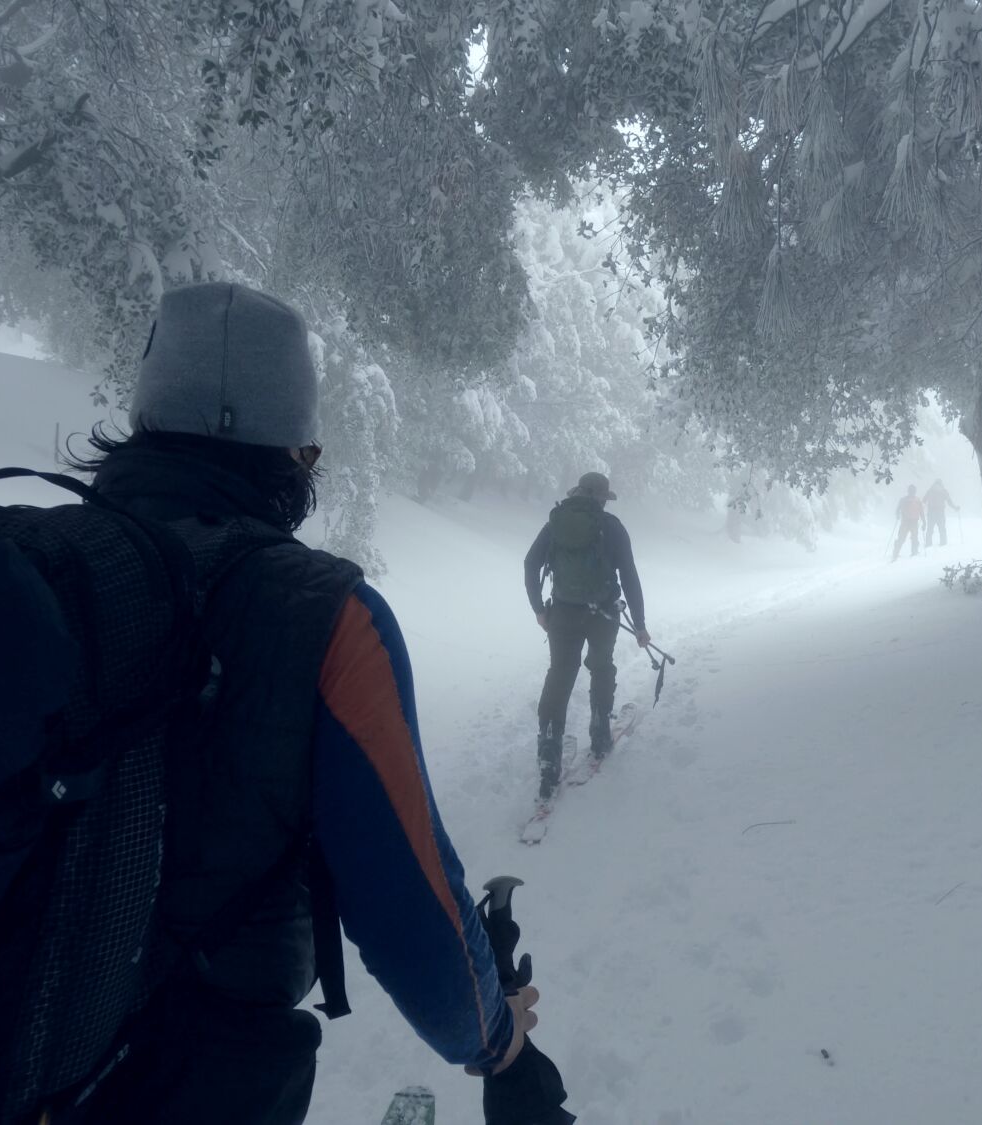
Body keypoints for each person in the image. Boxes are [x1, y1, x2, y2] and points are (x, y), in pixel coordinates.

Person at [68, 283, 548, 1122]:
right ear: (292, 452)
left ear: (143, 424)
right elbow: (410, 899)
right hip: (195, 1082)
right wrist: (496, 1037)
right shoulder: (323, 616)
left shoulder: (36, 573)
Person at [523, 471, 648, 799]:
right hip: (602, 614)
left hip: (562, 613)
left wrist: (539, 609)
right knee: (601, 665)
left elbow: (529, 564)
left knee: (560, 676)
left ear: (578, 493)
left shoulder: (556, 523)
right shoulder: (612, 528)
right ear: (602, 499)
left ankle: (549, 755)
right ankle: (600, 732)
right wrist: (640, 624)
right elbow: (630, 577)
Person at [893, 484, 924, 561]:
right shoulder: (917, 500)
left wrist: (897, 515)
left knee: (902, 537)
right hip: (913, 521)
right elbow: (921, 512)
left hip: (905, 521)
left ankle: (895, 553)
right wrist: (924, 522)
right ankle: (914, 552)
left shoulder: (903, 499)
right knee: (914, 537)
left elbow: (898, 509)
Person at [923, 478, 953, 547]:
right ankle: (943, 543)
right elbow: (949, 501)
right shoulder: (943, 491)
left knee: (930, 529)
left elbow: (924, 500)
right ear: (941, 483)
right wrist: (955, 508)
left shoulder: (930, 490)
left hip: (931, 512)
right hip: (940, 512)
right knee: (942, 528)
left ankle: (928, 543)